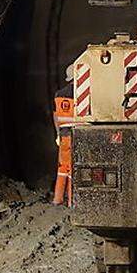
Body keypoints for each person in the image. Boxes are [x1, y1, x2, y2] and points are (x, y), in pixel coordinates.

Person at [52, 73, 77, 206]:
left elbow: (55, 116)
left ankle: (58, 199)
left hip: (63, 135)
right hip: (75, 135)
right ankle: (71, 201)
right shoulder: (80, 92)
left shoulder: (58, 94)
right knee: (73, 168)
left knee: (62, 169)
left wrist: (58, 134)